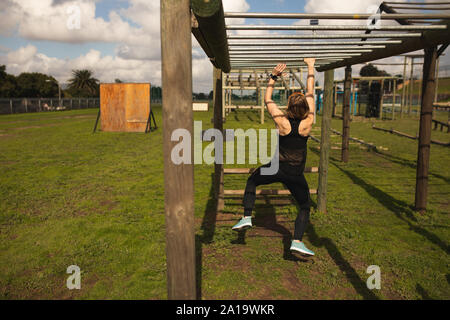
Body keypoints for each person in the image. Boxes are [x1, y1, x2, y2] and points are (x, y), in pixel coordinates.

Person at [232, 58, 316, 256]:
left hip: (276, 168)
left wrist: (273, 77)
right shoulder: (309, 121)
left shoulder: (281, 121)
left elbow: (267, 99)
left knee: (252, 180)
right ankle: (296, 240)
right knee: (304, 205)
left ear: (288, 107)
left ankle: (246, 216)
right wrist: (311, 66)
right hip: (295, 173)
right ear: (305, 108)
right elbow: (311, 91)